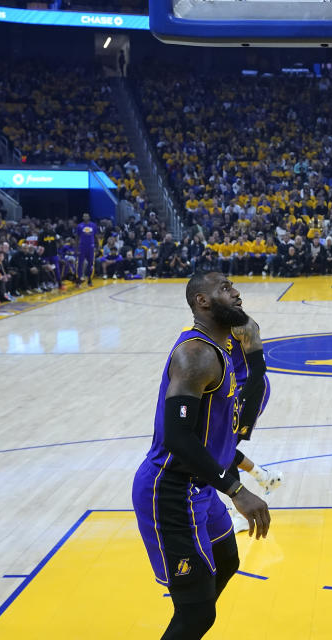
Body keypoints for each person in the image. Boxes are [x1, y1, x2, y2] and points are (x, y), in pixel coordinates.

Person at [132, 272, 271, 640]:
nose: (236, 292)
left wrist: (255, 352)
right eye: (225, 288)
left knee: (226, 561)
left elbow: (243, 419)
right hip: (171, 487)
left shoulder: (225, 350)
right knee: (197, 613)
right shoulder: (196, 355)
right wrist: (237, 491)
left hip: (202, 485)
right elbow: (178, 436)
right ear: (202, 302)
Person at [225, 316, 284, 533]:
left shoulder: (243, 325)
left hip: (248, 390)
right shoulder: (208, 323)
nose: (233, 294)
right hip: (228, 391)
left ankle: (239, 514)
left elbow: (258, 370)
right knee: (220, 447)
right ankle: (265, 477)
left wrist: (240, 398)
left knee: (222, 448)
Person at [75, 213, 98, 286]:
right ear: (82, 218)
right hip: (82, 247)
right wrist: (76, 248)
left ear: (89, 217)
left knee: (91, 263)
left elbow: (96, 236)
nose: (86, 217)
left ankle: (89, 279)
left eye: (87, 216)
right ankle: (78, 279)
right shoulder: (79, 226)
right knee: (80, 264)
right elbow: (77, 238)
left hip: (91, 247)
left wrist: (98, 246)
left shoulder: (93, 225)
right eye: (84, 216)